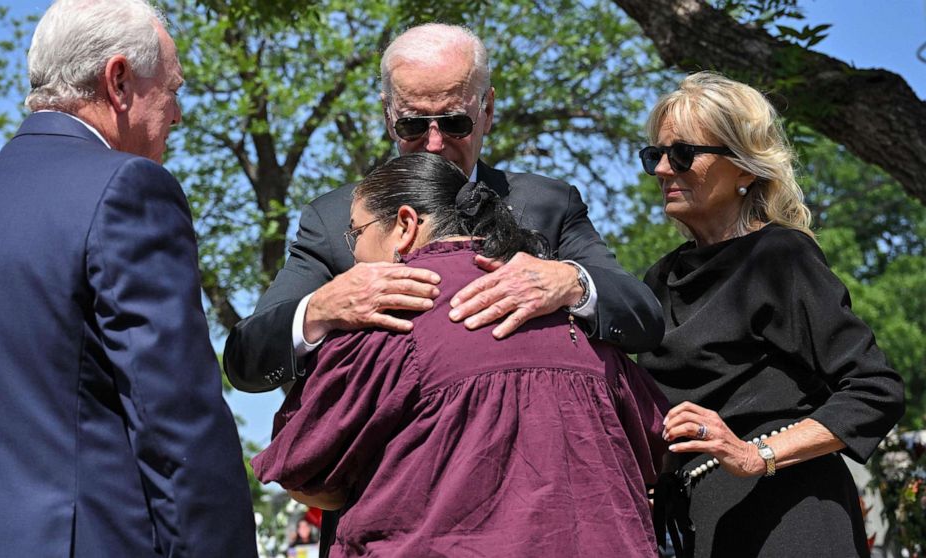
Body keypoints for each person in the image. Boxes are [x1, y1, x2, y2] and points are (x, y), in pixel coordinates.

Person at [0, 1, 257, 556]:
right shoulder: (128, 190)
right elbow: (175, 426)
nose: (177, 115)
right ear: (119, 80)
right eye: (174, 89)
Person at [253, 152, 669, 557]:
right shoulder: (577, 318)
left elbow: (306, 473)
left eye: (355, 234)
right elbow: (654, 442)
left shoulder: (385, 329)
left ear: (404, 225)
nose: (354, 256)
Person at [223, 23, 664, 393]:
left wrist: (571, 283)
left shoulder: (548, 204)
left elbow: (643, 317)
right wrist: (320, 307)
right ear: (386, 116)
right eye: (412, 124)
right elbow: (246, 359)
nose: (433, 144)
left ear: (487, 111)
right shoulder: (333, 219)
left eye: (455, 123)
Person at [636, 72, 905, 557]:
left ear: (744, 168)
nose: (661, 169)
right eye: (652, 155)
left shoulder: (779, 257)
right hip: (696, 527)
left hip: (790, 520)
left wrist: (754, 455)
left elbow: (874, 390)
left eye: (681, 154)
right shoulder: (658, 281)